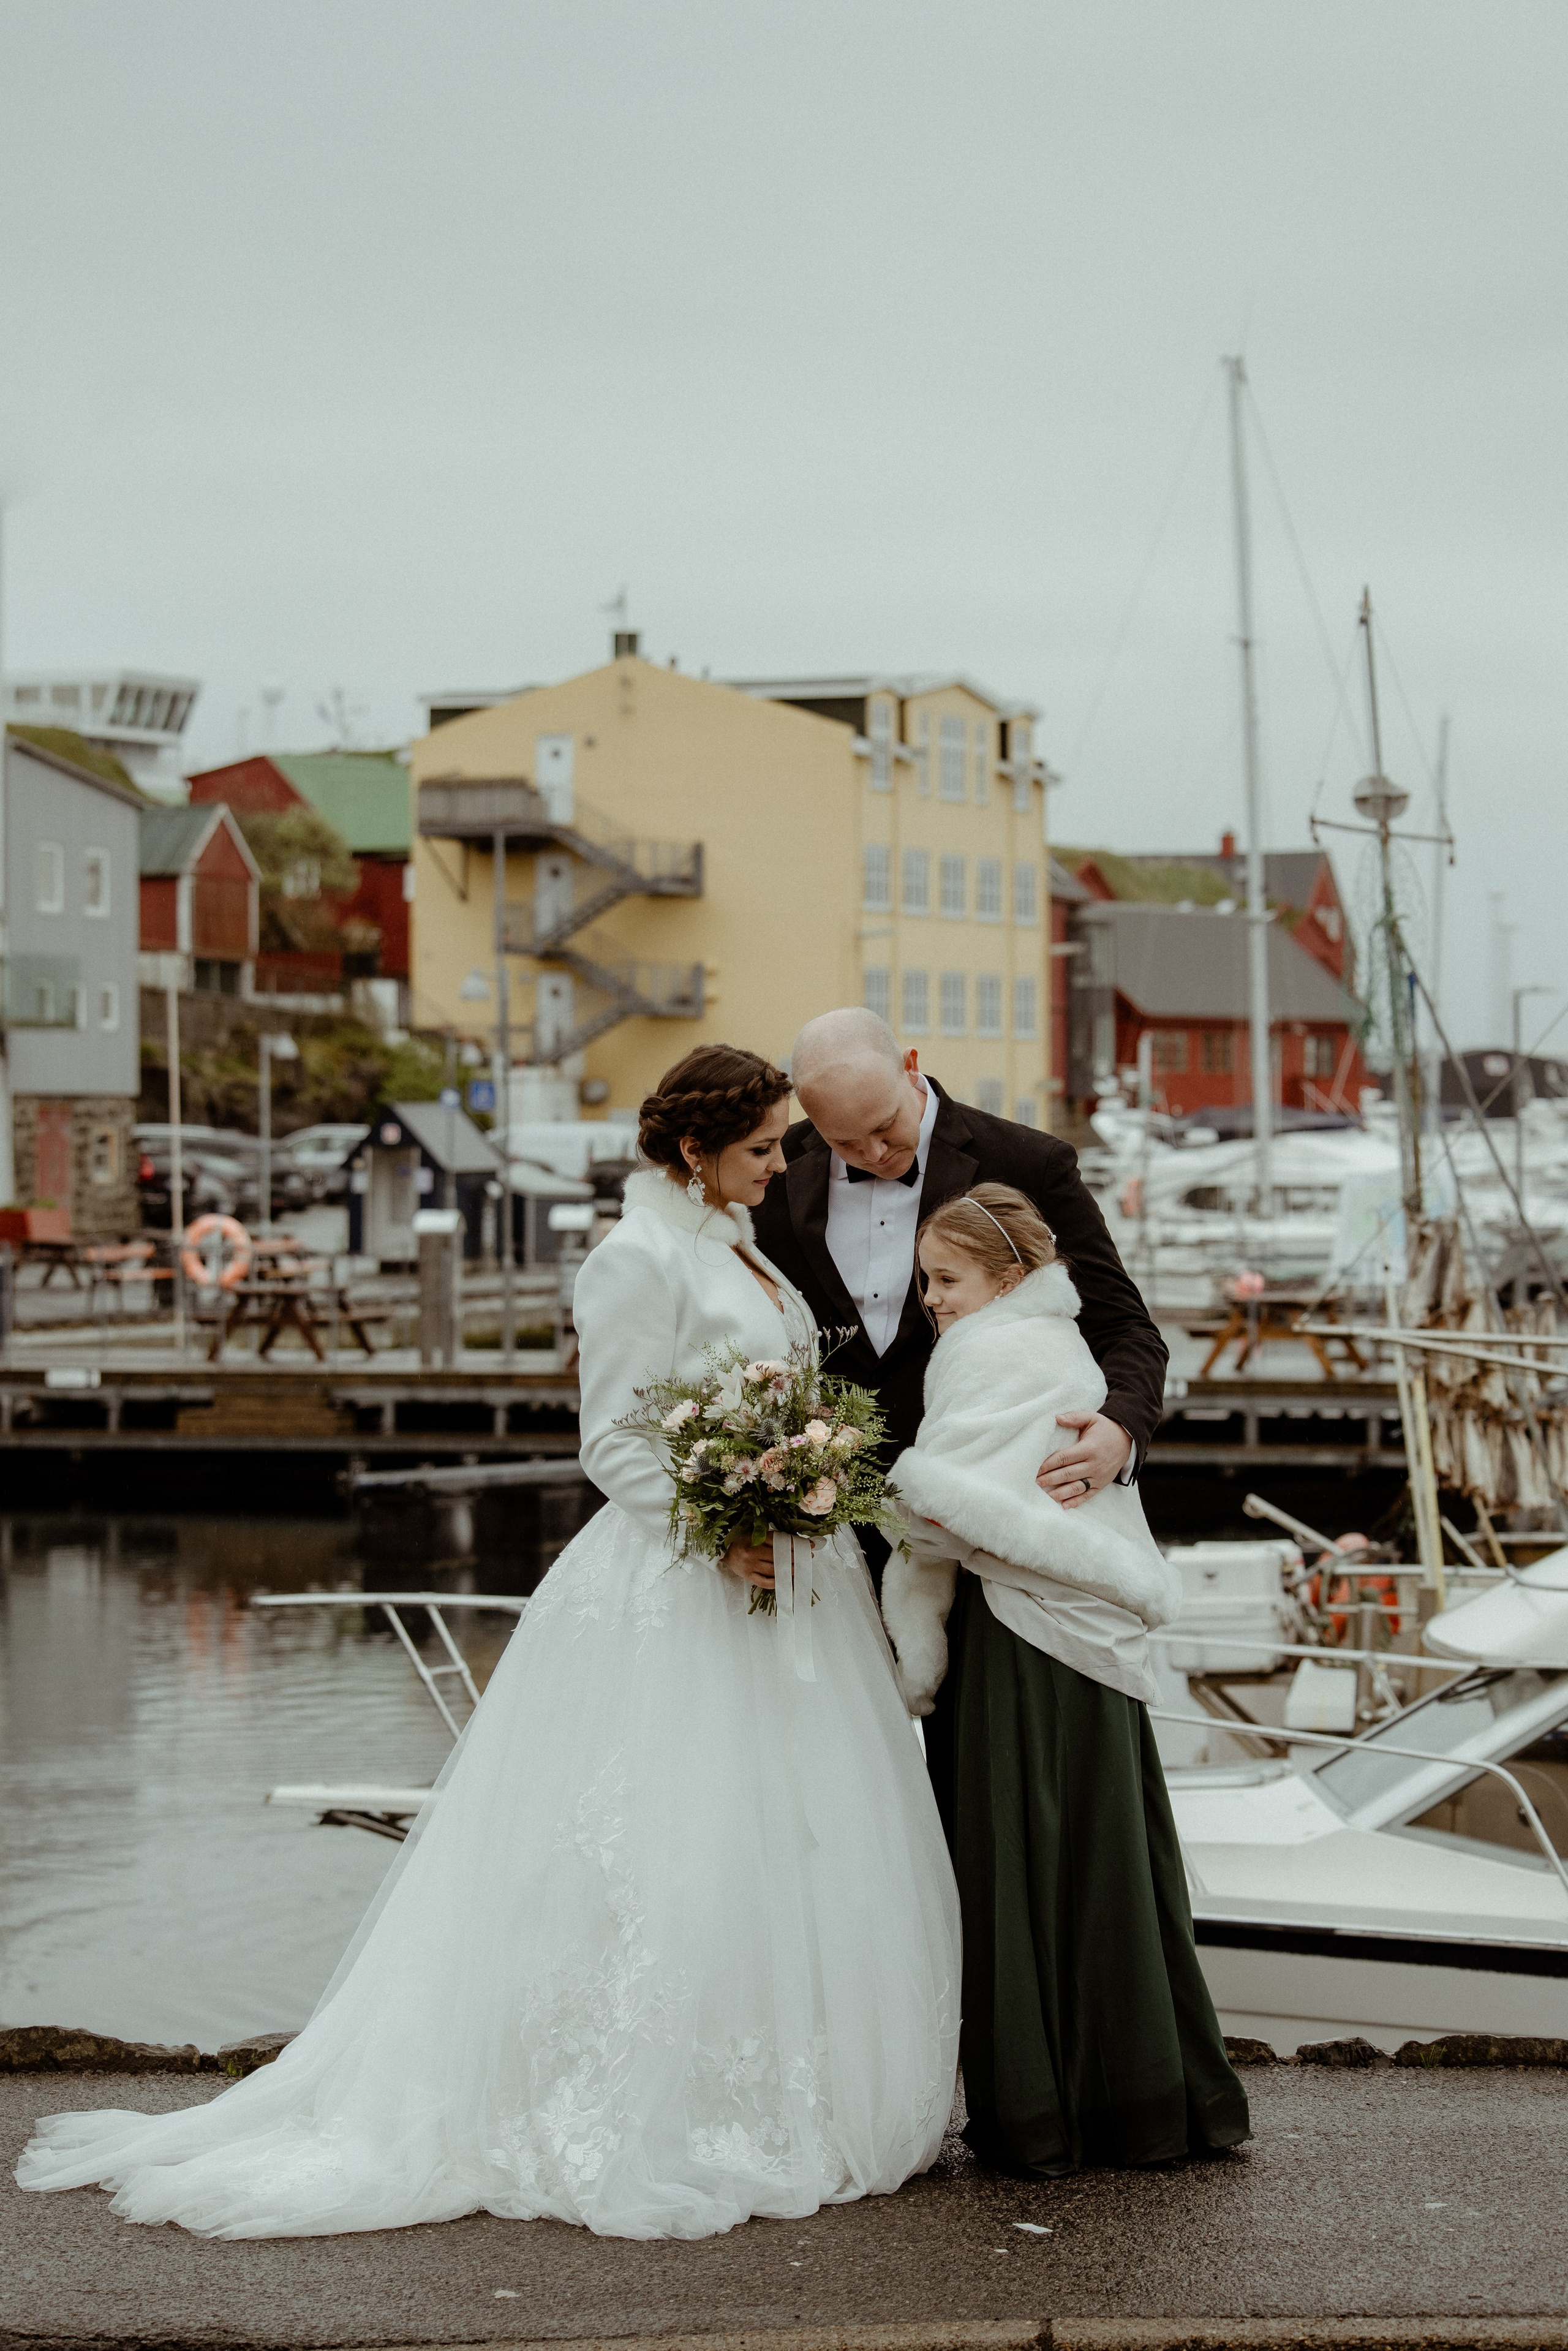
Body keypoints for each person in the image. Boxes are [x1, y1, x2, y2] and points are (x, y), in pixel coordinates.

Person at [17, 1045, 959, 2243]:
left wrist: (798, 1484)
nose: (784, 1165)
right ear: (693, 1151)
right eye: (764, 1146)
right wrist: (715, 1526)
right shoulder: (632, 1259)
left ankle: (793, 2074)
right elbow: (612, 1441)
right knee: (666, 1835)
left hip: (786, 1574)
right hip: (686, 1580)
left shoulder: (737, 1239)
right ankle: (640, 2091)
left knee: (789, 1832)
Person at [883, 1183, 1250, 2178]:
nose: (933, 1301)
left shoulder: (993, 1351)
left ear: (1008, 1276)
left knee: (1019, 1856)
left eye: (948, 1278)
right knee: (1102, 1857)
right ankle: (1144, 2093)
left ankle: (1040, 2108)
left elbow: (943, 1507)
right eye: (926, 1282)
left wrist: (886, 1506)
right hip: (1075, 1635)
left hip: (1018, 1635)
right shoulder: (1056, 1345)